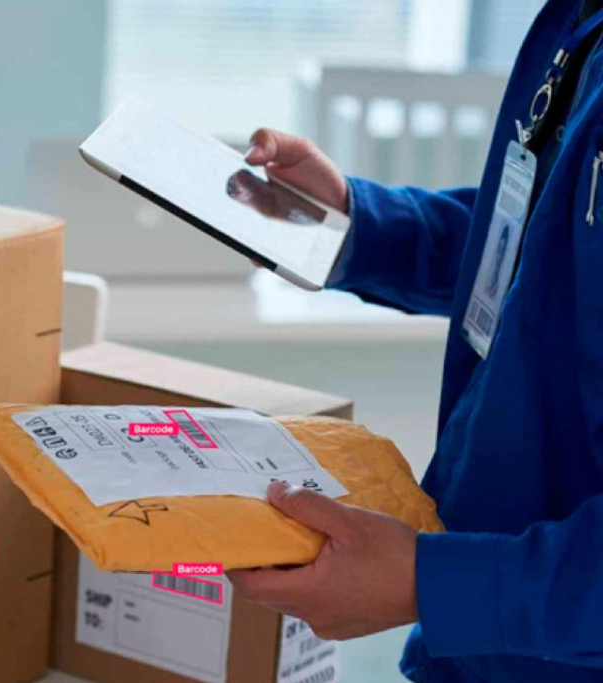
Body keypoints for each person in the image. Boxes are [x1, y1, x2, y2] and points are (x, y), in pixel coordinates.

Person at [226, 1, 603, 681]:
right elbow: (545, 246)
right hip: (480, 646)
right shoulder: (576, 21)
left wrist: (436, 583)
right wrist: (359, 225)